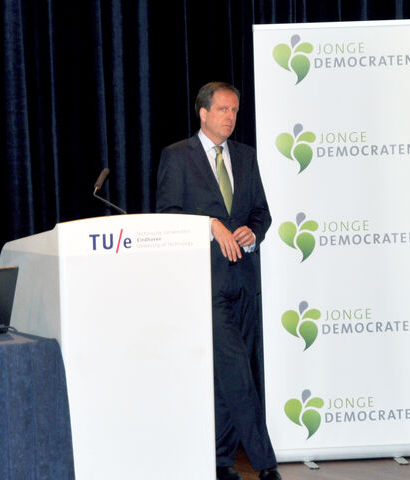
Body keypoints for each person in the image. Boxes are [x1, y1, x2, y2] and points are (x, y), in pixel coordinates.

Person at [156, 82, 281, 480]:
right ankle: (266, 464)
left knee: (232, 373)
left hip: (244, 281)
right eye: (223, 109)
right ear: (203, 113)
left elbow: (262, 212)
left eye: (235, 110)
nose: (231, 117)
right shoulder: (177, 157)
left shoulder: (245, 157)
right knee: (238, 374)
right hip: (204, 285)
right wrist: (210, 225)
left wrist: (252, 232)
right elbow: (168, 216)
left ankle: (221, 461)